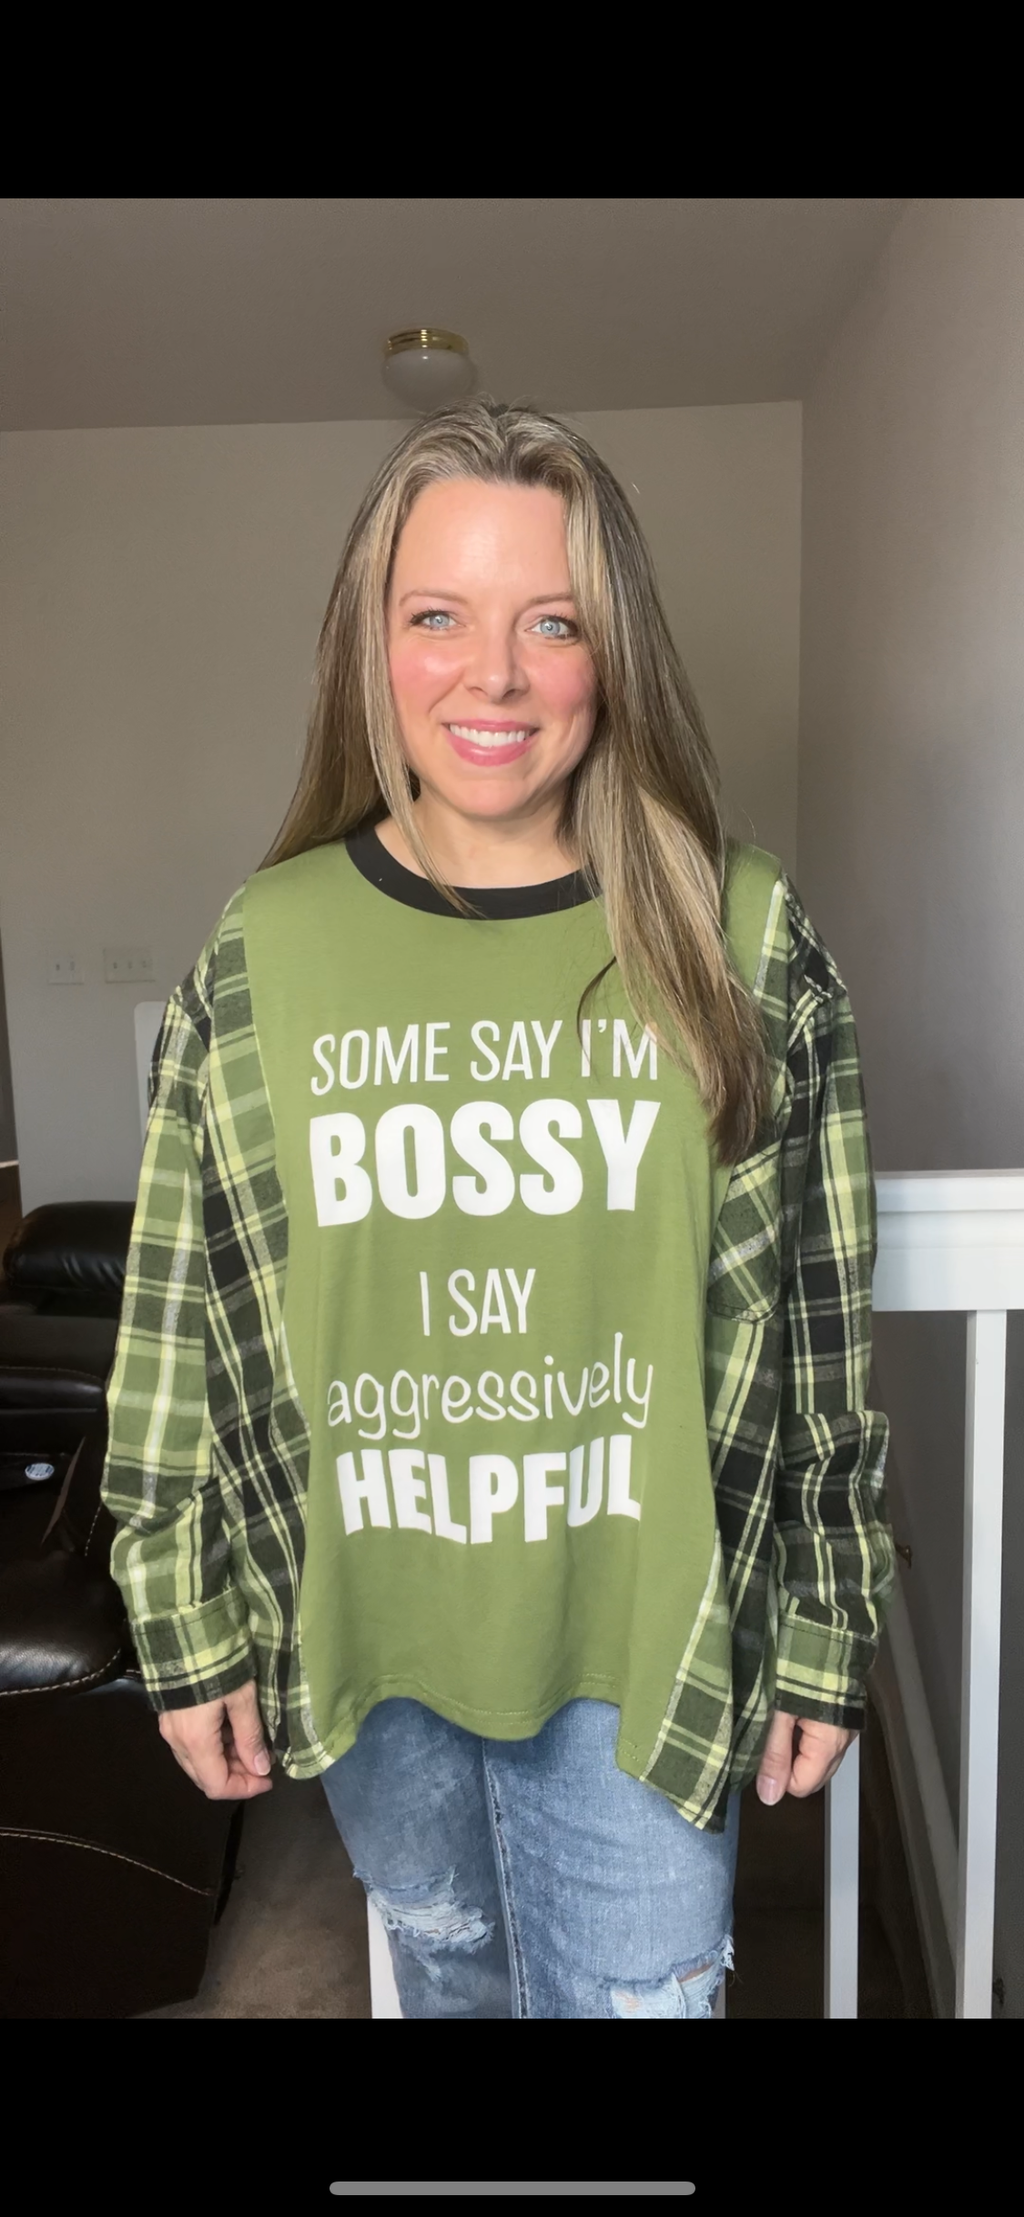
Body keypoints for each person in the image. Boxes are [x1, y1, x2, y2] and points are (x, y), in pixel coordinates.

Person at [100, 398, 895, 2021]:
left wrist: (826, 1615)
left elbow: (818, 1315)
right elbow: (185, 1311)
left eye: (555, 621)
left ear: (615, 652)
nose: (496, 676)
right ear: (372, 644)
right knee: (450, 1987)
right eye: (438, 617)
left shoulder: (737, 934)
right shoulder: (266, 948)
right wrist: (185, 1621)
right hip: (379, 1643)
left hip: (643, 1648)